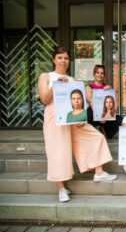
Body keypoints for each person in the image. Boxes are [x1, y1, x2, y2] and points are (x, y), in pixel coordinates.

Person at [38, 46, 117, 202]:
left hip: (73, 118)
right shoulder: (46, 77)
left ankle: (99, 172)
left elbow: (80, 102)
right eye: (60, 57)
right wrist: (55, 86)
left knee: (96, 137)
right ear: (54, 60)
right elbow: (44, 100)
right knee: (57, 152)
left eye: (66, 58)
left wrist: (81, 118)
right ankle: (61, 188)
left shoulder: (73, 80)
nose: (63, 61)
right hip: (54, 119)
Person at [85, 65, 122, 139]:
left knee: (120, 120)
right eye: (98, 72)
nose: (100, 75)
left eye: (102, 73)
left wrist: (110, 90)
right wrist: (100, 117)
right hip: (94, 111)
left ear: (104, 75)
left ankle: (105, 133)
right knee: (88, 115)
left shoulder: (107, 87)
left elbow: (112, 103)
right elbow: (91, 101)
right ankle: (97, 130)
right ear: (94, 74)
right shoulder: (88, 87)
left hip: (106, 111)